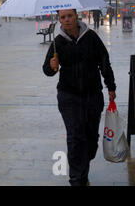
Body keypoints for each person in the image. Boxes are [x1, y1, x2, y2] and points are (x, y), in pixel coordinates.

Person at [43, 9, 116, 186]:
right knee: (75, 136)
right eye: (62, 17)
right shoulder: (58, 42)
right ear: (59, 20)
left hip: (92, 95)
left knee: (90, 138)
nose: (66, 20)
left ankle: (85, 161)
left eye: (69, 16)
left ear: (76, 16)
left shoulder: (91, 37)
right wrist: (52, 66)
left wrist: (110, 86)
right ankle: (77, 179)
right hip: (69, 96)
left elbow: (104, 61)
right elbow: (47, 70)